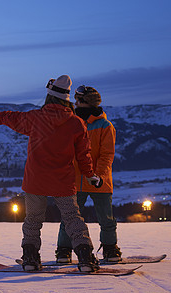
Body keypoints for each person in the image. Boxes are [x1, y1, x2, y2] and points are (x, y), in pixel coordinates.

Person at [0, 75, 102, 272]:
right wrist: (90, 175)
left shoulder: (34, 118)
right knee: (73, 218)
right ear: (66, 98)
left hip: (35, 181)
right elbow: (84, 156)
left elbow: (13, 118)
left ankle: (30, 258)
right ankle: (85, 258)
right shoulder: (76, 123)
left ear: (49, 96)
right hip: (62, 181)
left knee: (33, 220)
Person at [55, 85, 121, 263]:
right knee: (69, 218)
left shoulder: (105, 126)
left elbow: (107, 154)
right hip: (74, 181)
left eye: (78, 100)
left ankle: (110, 248)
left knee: (106, 219)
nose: (75, 103)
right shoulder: (70, 123)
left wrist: (98, 176)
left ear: (87, 102)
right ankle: (64, 250)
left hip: (100, 181)